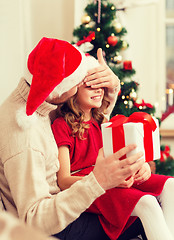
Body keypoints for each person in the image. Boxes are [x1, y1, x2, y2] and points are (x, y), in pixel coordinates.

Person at [0, 37, 146, 240]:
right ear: (60, 89)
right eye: (78, 81)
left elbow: (87, 122)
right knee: (143, 219)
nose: (83, 82)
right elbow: (34, 221)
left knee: (150, 207)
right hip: (53, 225)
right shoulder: (25, 135)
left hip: (63, 205)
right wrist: (98, 181)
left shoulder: (44, 103)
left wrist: (112, 89)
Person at [52, 78, 174, 240]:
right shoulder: (62, 125)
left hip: (112, 176)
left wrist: (142, 165)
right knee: (147, 203)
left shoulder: (103, 122)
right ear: (73, 90)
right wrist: (103, 180)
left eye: (100, 86)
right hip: (87, 184)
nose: (98, 91)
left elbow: (122, 157)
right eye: (90, 86)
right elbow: (63, 181)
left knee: (171, 185)